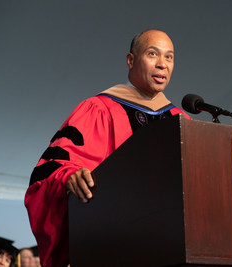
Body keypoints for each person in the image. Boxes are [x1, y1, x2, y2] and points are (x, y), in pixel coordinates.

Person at [24, 29, 190, 267]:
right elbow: (49, 169)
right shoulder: (97, 109)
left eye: (169, 57)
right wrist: (68, 177)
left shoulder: (183, 123)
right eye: (153, 54)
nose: (162, 64)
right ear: (130, 60)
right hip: (116, 248)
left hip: (174, 250)